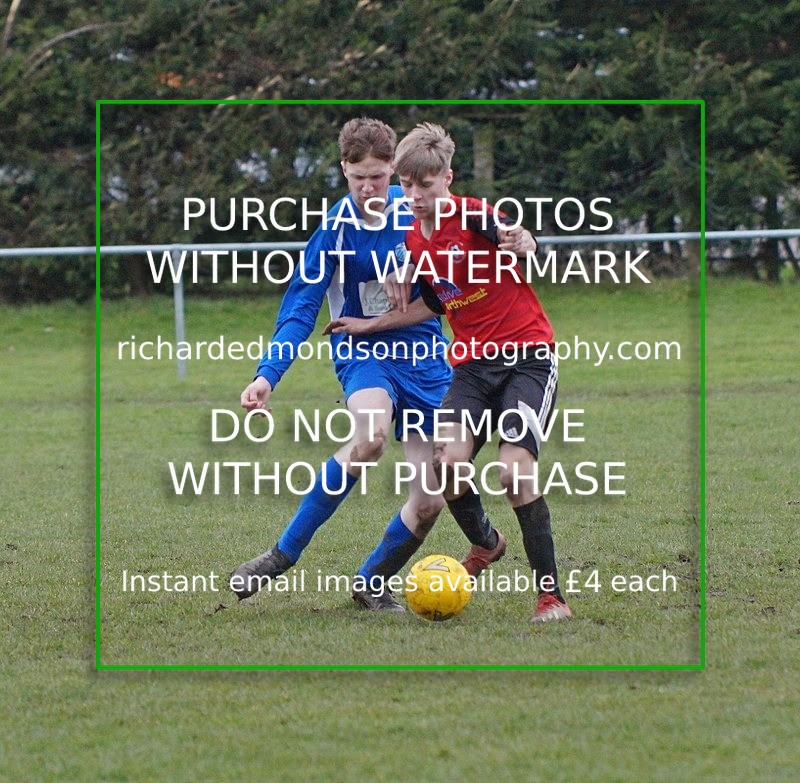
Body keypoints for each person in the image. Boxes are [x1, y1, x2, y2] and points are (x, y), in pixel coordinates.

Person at [326, 122, 572, 623]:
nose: (416, 196)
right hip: (474, 368)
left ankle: (551, 598)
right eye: (409, 185)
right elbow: (434, 303)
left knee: (513, 471)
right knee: (445, 464)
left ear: (447, 179)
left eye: (427, 185)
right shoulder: (416, 239)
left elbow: (516, 236)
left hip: (527, 359)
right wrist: (370, 325)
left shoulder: (475, 216)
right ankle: (485, 545)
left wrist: (522, 240)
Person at [230, 118, 452, 611]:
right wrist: (266, 376)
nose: (370, 187)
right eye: (358, 178)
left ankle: (371, 581)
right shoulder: (333, 230)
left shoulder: (418, 212)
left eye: (379, 176)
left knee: (432, 499)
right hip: (364, 352)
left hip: (425, 355)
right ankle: (282, 554)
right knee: (370, 437)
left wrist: (416, 261)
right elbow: (300, 309)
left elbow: (462, 254)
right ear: (343, 171)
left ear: (394, 168)